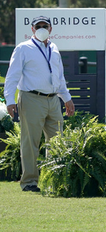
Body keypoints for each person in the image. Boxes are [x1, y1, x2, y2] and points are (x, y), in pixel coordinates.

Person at [4, 15, 75, 192]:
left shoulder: (54, 48)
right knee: (30, 142)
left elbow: (59, 77)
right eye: (38, 26)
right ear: (32, 29)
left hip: (53, 99)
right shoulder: (23, 48)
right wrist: (10, 101)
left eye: (45, 26)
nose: (42, 28)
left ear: (50, 29)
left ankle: (54, 180)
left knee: (57, 142)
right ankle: (29, 182)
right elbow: (12, 76)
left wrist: (66, 98)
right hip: (31, 98)